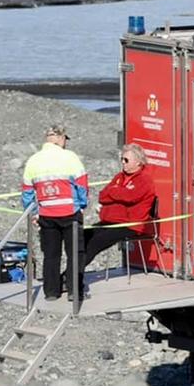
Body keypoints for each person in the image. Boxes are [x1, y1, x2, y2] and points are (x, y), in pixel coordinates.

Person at [20, 124, 88, 301]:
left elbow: (27, 192)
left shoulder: (34, 160)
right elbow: (81, 184)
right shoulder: (70, 157)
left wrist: (34, 212)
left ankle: (51, 291)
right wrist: (82, 204)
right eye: (65, 139)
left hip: (47, 214)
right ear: (60, 138)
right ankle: (74, 291)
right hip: (69, 212)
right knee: (75, 253)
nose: (65, 142)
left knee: (51, 254)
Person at [75, 145, 157, 281]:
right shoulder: (119, 177)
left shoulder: (144, 180)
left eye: (126, 160)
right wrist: (118, 194)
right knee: (83, 235)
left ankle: (71, 277)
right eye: (122, 159)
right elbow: (102, 195)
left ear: (138, 162)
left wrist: (113, 192)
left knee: (96, 242)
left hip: (129, 224)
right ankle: (73, 273)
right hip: (110, 221)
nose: (123, 163)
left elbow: (131, 196)